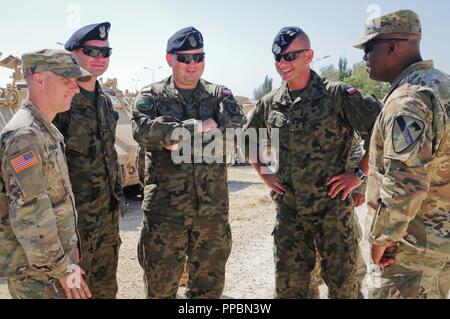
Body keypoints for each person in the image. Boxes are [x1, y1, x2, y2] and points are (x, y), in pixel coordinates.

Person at [244, 26, 382, 298]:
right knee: (289, 290)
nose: (283, 63)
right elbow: (247, 139)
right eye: (279, 58)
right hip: (290, 217)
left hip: (333, 216)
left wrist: (358, 174)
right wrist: (266, 175)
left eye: (291, 56)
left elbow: (383, 132)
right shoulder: (270, 102)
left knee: (345, 289)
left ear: (309, 56)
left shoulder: (338, 95)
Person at [132, 26, 245, 299]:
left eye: (198, 57)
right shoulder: (153, 95)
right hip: (164, 216)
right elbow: (143, 132)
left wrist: (173, 136)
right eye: (184, 58)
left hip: (211, 216)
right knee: (160, 292)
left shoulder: (219, 94)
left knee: (207, 293)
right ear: (170, 59)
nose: (192, 65)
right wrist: (199, 126)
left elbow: (236, 134)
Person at [354, 9, 450, 299]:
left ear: (393, 46)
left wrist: (382, 238)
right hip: (438, 243)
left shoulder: (408, 99)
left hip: (409, 252)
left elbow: (405, 181)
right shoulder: (441, 85)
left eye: (369, 48)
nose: (364, 58)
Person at [0, 49, 92, 299]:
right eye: (67, 80)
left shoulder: (42, 129)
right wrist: (63, 269)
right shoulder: (25, 136)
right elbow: (30, 213)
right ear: (39, 79)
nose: (75, 88)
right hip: (39, 277)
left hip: (48, 271)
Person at [53, 22, 126, 299]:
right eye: (91, 51)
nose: (99, 58)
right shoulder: (61, 99)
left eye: (105, 52)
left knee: (105, 291)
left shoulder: (105, 102)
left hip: (106, 224)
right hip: (73, 227)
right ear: (72, 53)